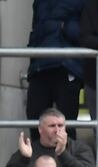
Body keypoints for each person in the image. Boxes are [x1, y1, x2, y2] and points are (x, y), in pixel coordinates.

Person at [23, 0, 85, 137]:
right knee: (35, 121)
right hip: (39, 67)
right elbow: (36, 30)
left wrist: (65, 27)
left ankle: (66, 158)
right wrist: (32, 57)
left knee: (66, 126)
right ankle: (38, 158)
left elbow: (88, 32)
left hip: (67, 66)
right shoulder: (39, 2)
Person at [0, 108, 95, 167]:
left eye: (60, 126)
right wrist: (23, 159)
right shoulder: (29, 150)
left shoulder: (79, 148)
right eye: (52, 126)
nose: (57, 130)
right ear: (40, 129)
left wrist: (63, 153)